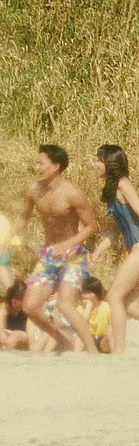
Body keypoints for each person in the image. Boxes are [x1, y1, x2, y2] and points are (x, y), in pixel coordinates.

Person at [1, 144, 99, 353]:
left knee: (65, 305)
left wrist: (68, 243)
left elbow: (92, 227)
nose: (37, 167)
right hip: (49, 254)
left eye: (41, 163)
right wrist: (7, 238)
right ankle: (64, 339)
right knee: (30, 306)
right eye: (36, 163)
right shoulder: (34, 190)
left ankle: (92, 352)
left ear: (56, 166)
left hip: (73, 255)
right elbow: (23, 216)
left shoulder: (73, 193)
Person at [90, 144, 139, 354]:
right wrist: (102, 247)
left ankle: (119, 352)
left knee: (114, 296)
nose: (95, 164)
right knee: (130, 305)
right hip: (134, 248)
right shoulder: (112, 190)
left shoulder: (123, 184)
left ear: (110, 163)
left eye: (99, 160)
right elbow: (118, 226)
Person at [74, 277, 111, 353]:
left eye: (89, 293)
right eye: (83, 292)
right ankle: (76, 357)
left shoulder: (107, 306)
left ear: (97, 294)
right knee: (80, 333)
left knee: (111, 332)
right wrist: (88, 308)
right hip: (87, 340)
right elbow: (81, 326)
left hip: (102, 340)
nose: (85, 296)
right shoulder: (80, 308)